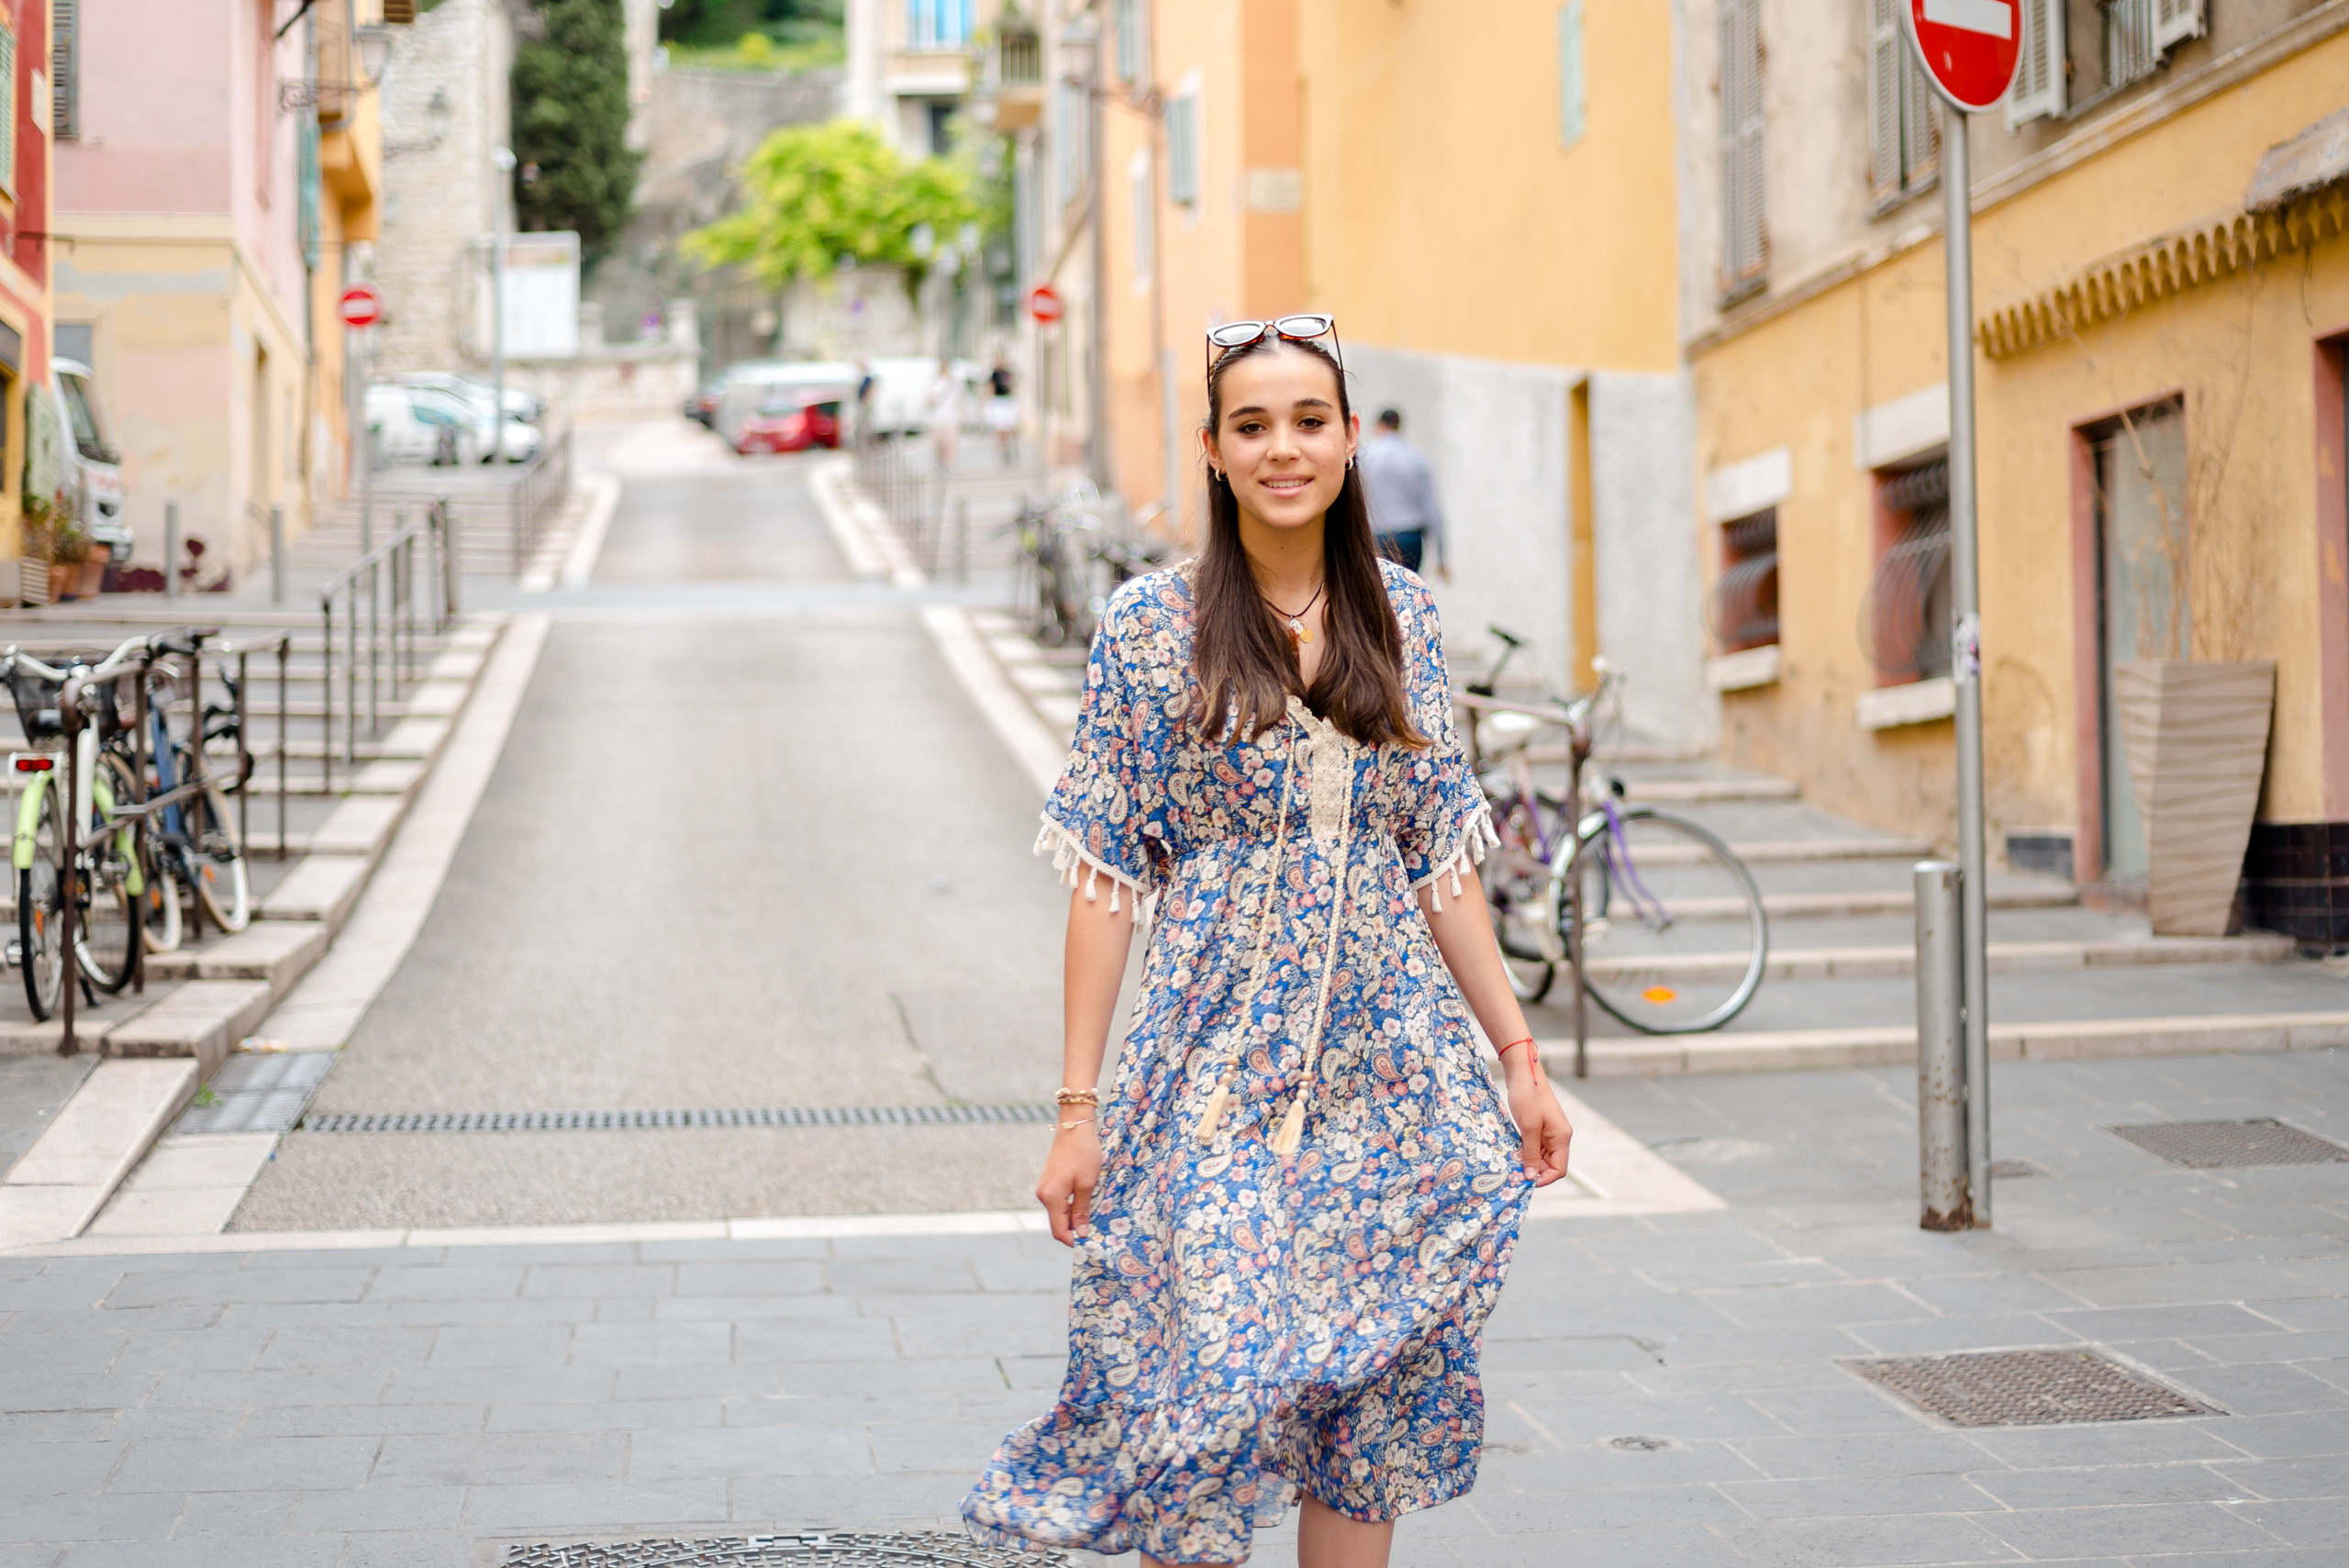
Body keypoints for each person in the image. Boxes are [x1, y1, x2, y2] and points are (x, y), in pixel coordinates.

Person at [963, 315, 1575, 1568]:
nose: (1281, 448)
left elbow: (1440, 858)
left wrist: (1519, 1055)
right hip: (1209, 1069)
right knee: (1202, 1371)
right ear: (1213, 448)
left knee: (1373, 1391)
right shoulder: (1150, 624)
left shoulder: (1405, 615)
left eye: (1307, 422)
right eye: (1252, 425)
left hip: (1388, 1068)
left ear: (1350, 441)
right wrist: (1077, 1108)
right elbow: (1103, 876)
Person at [1357, 407, 1446, 577]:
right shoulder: (1416, 457)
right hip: (1410, 537)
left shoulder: (1365, 456)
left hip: (1376, 534)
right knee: (1408, 589)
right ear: (1398, 426)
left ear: (1379, 425)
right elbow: (1431, 508)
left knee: (1377, 588)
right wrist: (1441, 556)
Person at [926, 356, 967, 473]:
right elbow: (930, 400)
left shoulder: (955, 383)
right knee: (938, 443)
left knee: (950, 442)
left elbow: (961, 400)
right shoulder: (935, 382)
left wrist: (963, 416)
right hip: (938, 418)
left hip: (951, 418)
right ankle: (940, 463)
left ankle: (949, 464)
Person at [985, 353, 1019, 466]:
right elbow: (991, 388)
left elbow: (1013, 386)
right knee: (1001, 429)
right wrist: (990, 403)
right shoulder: (994, 375)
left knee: (1010, 428)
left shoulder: (1008, 373)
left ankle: (1011, 448)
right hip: (998, 402)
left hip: (1007, 402)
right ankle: (1004, 451)